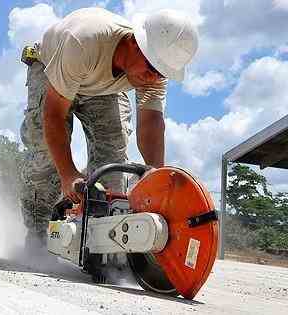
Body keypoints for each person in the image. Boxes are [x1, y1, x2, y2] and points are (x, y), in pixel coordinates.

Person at [19, 7, 199, 249]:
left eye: (161, 73)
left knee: (112, 159)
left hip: (103, 85)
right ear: (136, 43)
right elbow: (54, 115)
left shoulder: (156, 68)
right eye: (151, 69)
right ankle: (39, 238)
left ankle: (98, 243)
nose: (153, 78)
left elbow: (151, 122)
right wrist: (68, 174)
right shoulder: (83, 42)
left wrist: (156, 176)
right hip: (53, 69)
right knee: (46, 157)